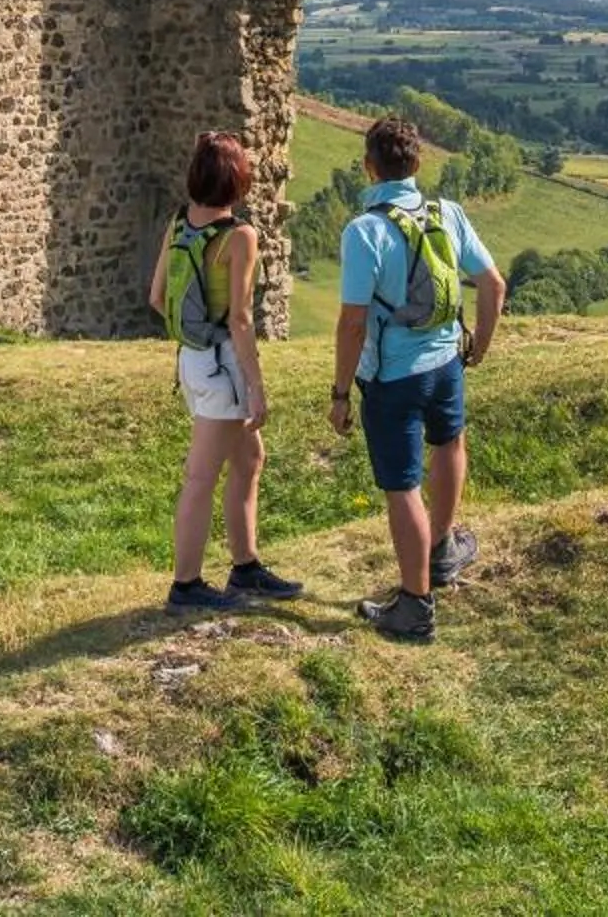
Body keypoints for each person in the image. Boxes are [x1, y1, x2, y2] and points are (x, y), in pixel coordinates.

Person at [328, 114, 507, 643]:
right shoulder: (446, 213)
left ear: (368, 166)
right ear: (417, 163)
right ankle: (442, 547)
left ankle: (414, 604)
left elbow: (353, 323)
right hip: (446, 361)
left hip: (392, 378)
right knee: (449, 442)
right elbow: (492, 285)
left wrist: (340, 393)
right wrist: (479, 347)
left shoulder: (364, 231)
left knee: (401, 485)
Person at [149, 131, 303, 613]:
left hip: (192, 359)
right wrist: (255, 386)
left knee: (249, 459)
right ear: (238, 181)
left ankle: (245, 566)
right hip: (222, 364)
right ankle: (186, 585)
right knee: (200, 476)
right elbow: (240, 318)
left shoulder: (177, 224)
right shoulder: (239, 236)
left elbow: (157, 298)